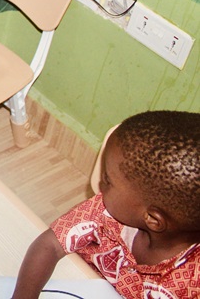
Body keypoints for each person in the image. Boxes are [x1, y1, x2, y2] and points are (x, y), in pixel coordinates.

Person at [12, 110, 200, 298]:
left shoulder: (192, 281)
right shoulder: (104, 212)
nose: (100, 184)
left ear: (152, 219)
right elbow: (50, 245)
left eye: (108, 180)